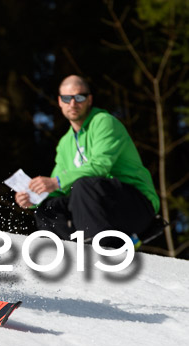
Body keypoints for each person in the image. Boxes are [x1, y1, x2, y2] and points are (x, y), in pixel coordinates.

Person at [15, 75, 160, 247]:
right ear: (60, 102)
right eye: (67, 98)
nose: (73, 103)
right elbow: (59, 188)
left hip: (135, 206)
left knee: (83, 185)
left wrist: (56, 182)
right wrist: (34, 198)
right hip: (96, 209)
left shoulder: (104, 122)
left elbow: (100, 166)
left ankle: (104, 247)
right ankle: (65, 250)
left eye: (79, 97)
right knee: (48, 206)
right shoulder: (65, 143)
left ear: (89, 100)